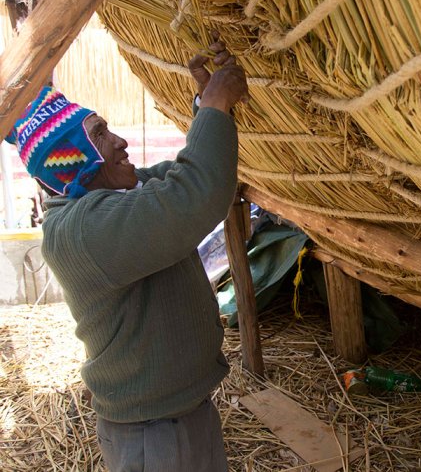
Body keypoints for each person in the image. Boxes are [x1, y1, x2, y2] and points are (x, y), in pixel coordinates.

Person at [4, 33, 248, 471]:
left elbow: (186, 174)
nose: (120, 141)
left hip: (177, 415)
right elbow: (194, 196)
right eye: (100, 134)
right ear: (74, 159)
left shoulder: (109, 200)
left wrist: (205, 107)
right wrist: (214, 106)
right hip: (154, 435)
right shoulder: (83, 230)